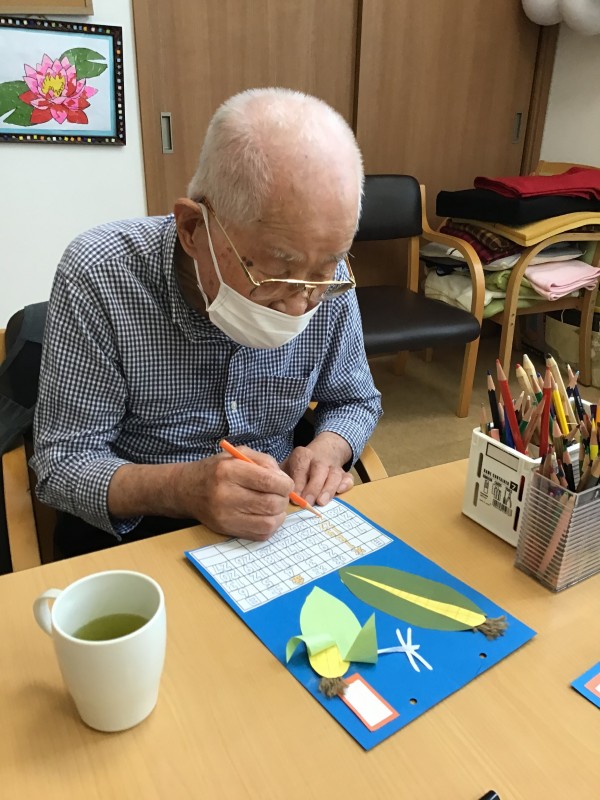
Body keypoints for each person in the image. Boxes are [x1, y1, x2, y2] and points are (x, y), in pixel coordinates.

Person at [32, 87, 382, 557]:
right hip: (140, 524)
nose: (300, 304)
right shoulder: (101, 274)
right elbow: (62, 463)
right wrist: (181, 489)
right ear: (193, 228)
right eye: (275, 272)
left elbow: (355, 399)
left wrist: (328, 451)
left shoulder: (327, 277)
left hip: (281, 515)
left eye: (323, 270)